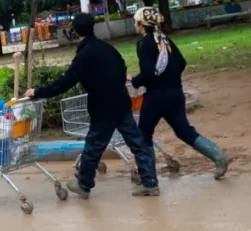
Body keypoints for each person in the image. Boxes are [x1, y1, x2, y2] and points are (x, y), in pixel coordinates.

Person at [24, 13, 159, 198]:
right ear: (92, 27)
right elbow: (122, 67)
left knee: (93, 145)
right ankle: (150, 182)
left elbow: (65, 82)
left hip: (102, 107)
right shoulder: (107, 48)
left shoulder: (84, 55)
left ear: (76, 31)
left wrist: (37, 92)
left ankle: (84, 185)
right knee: (136, 142)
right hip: (120, 102)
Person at [129, 7, 234, 179]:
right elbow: (182, 63)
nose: (135, 24)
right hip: (176, 93)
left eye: (135, 21)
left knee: (144, 133)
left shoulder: (144, 43)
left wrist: (135, 81)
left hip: (156, 96)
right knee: (184, 130)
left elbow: (148, 73)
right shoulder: (166, 40)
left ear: (141, 24)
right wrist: (170, 77)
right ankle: (218, 157)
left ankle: (147, 176)